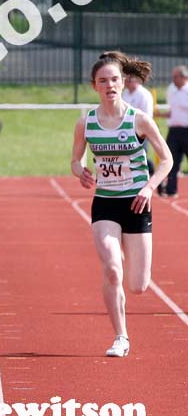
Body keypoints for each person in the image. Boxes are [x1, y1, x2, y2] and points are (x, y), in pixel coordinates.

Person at [70, 52, 172, 358]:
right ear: (94, 86)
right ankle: (121, 337)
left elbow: (166, 159)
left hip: (137, 204)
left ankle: (126, 312)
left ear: (123, 82)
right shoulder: (86, 122)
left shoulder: (139, 120)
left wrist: (149, 187)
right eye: (103, 81)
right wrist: (81, 172)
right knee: (112, 269)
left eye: (114, 79)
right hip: (105, 204)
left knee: (139, 285)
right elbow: (75, 160)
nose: (110, 85)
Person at [157, 65, 188, 197]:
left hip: (187, 130)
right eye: (173, 76)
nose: (173, 79)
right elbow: (172, 112)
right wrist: (160, 114)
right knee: (171, 161)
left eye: (176, 76)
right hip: (174, 131)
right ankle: (171, 190)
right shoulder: (171, 90)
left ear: (184, 77)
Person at [121, 66, 155, 174]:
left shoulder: (144, 94)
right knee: (128, 156)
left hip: (140, 130)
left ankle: (155, 176)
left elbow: (147, 114)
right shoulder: (125, 93)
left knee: (141, 155)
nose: (126, 82)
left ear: (136, 81)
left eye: (128, 80)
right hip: (126, 130)